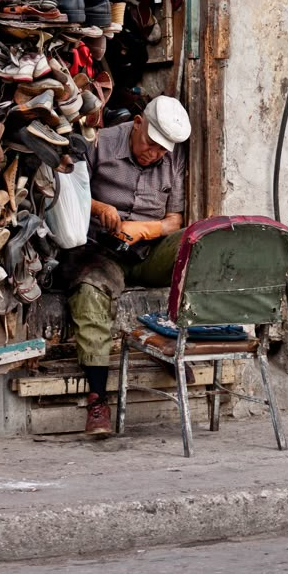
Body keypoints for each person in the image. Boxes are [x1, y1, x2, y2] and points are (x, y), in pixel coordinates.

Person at [66, 95, 192, 436]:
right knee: (89, 289)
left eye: (160, 151)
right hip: (103, 252)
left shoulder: (172, 157)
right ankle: (97, 400)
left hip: (149, 250)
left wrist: (146, 229)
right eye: (149, 144)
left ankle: (178, 353)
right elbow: (69, 193)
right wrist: (99, 208)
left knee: (195, 244)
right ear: (137, 122)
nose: (153, 154)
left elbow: (174, 219)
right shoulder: (100, 143)